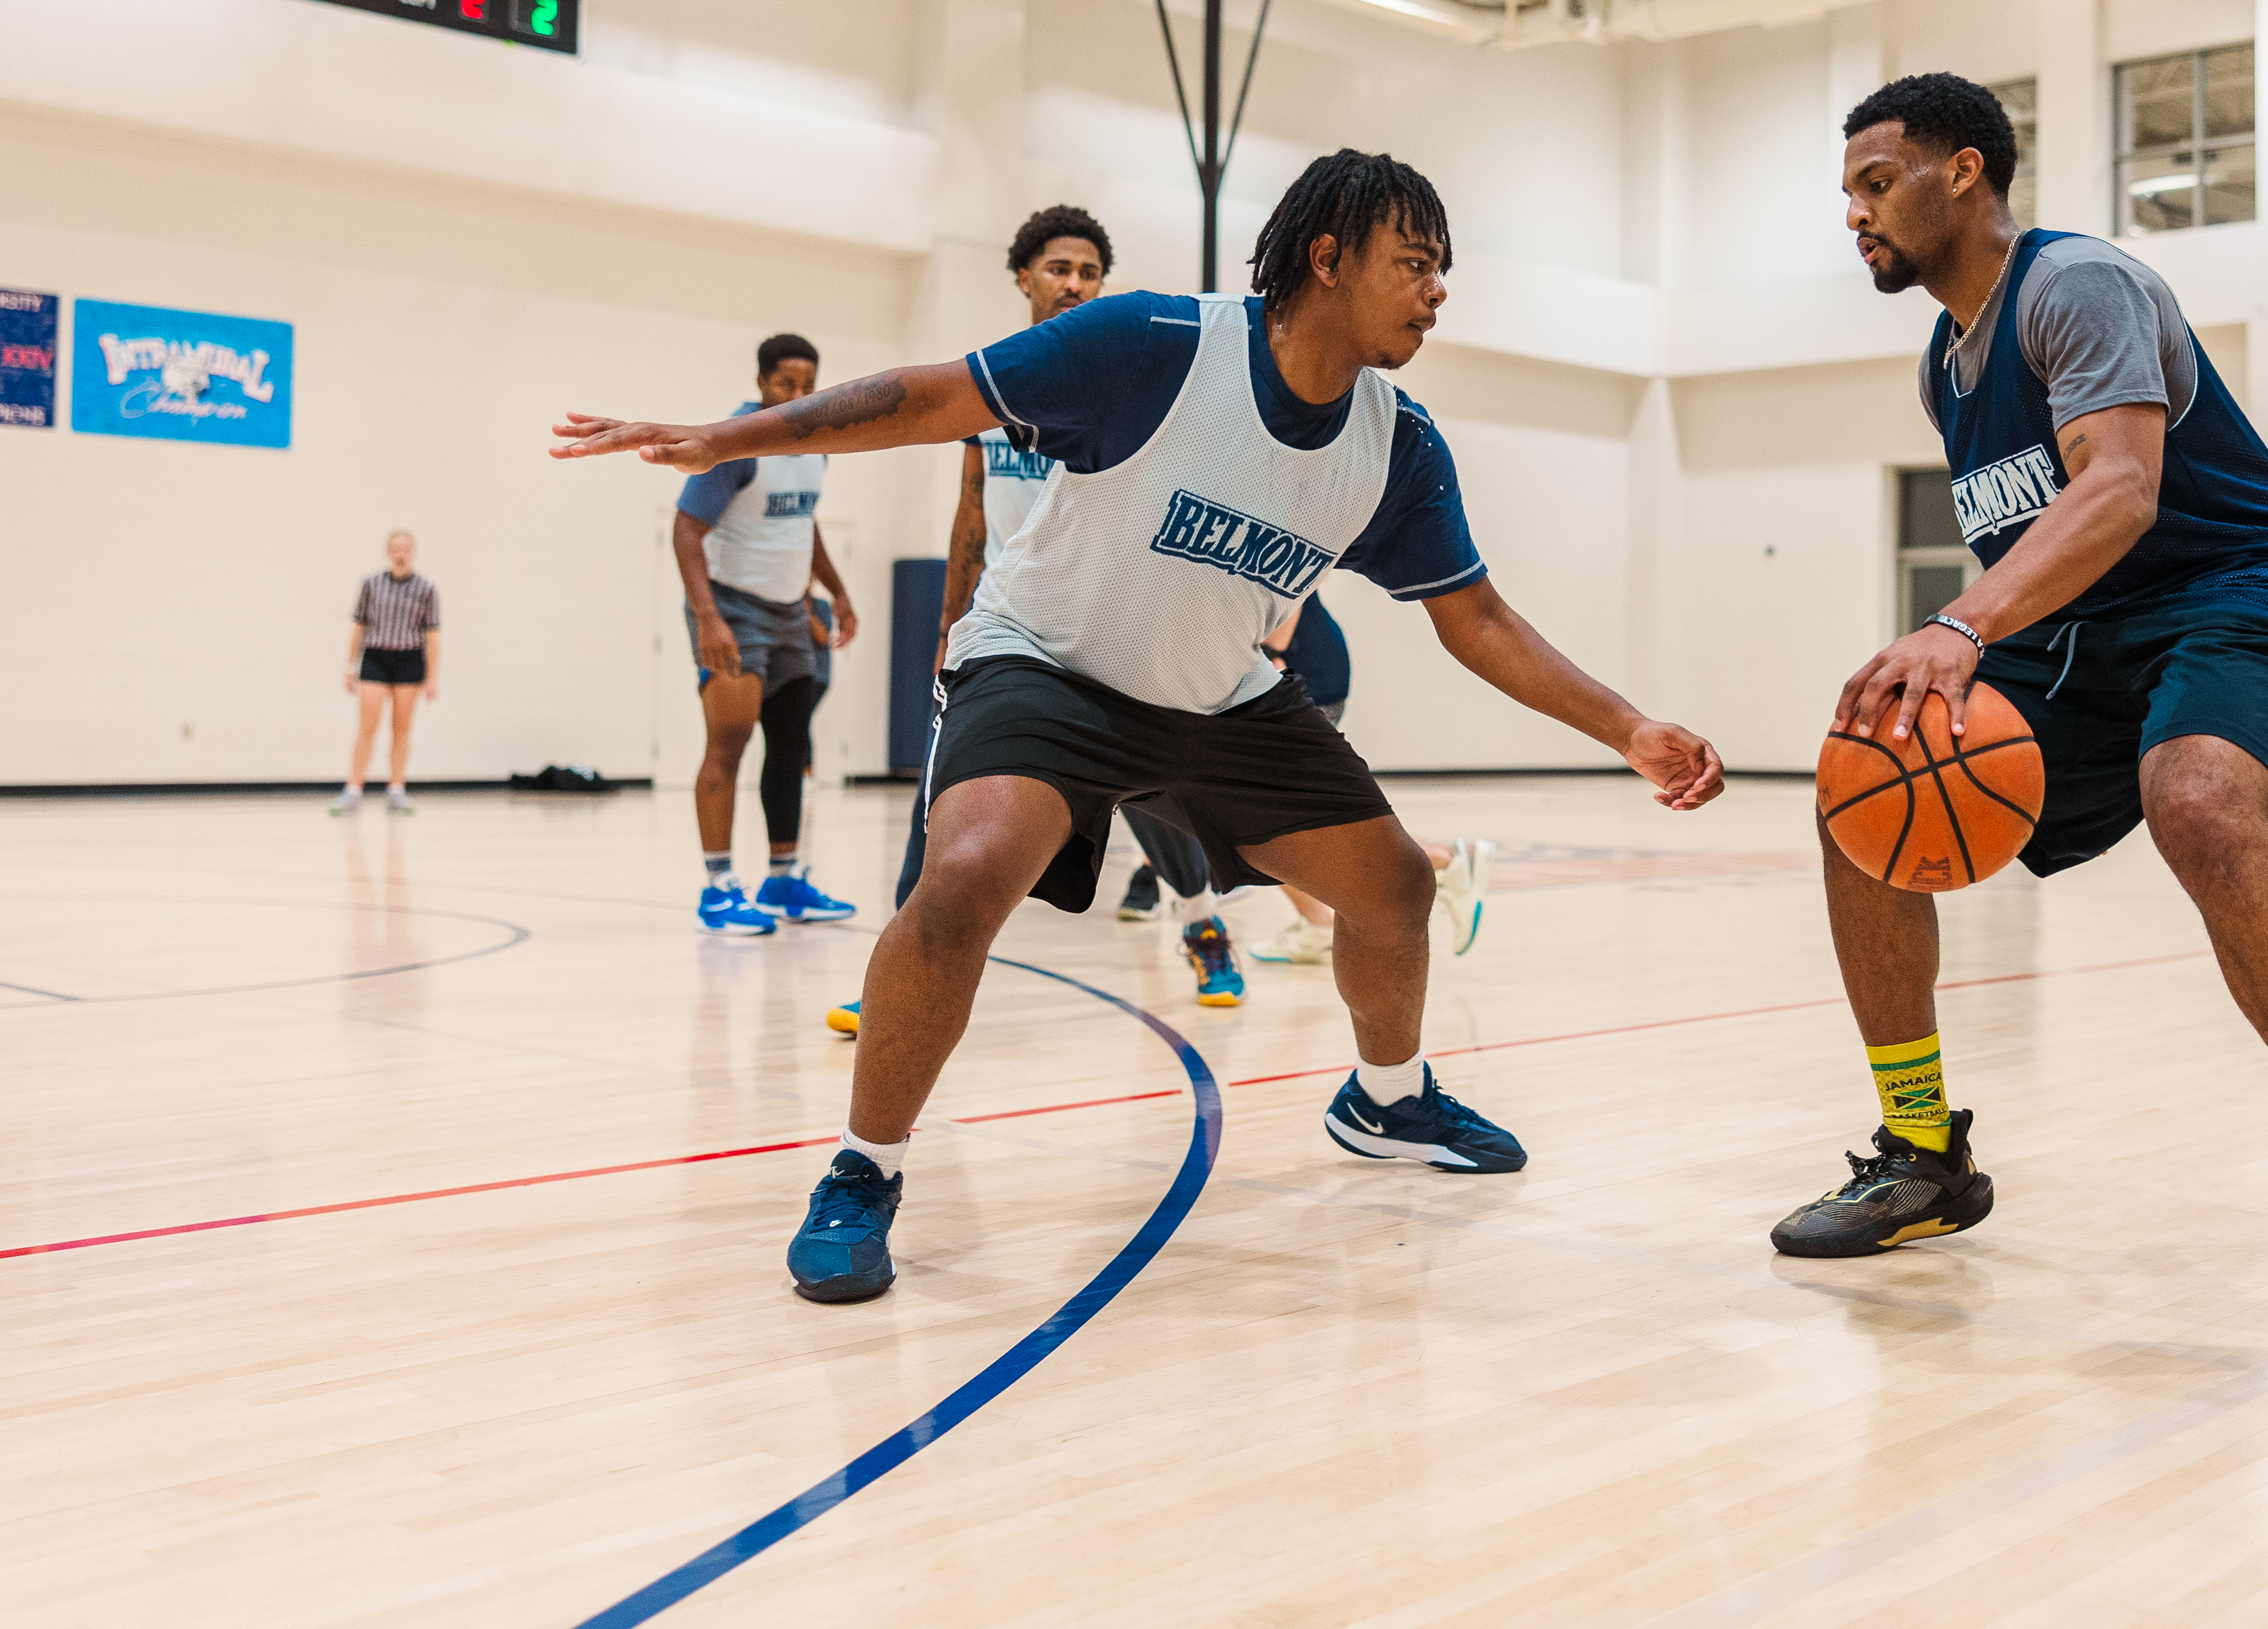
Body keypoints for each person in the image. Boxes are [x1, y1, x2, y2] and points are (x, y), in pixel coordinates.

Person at [554, 147, 1727, 1305]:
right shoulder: (1156, 346)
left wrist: (1627, 727)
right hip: (1048, 668)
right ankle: (865, 1168)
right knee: (961, 880)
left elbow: (1476, 617)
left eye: (1442, 270)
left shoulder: (1396, 444)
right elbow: (931, 397)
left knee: (1395, 891)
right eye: (1416, 263)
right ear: (1328, 259)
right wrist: (728, 439)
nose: (1438, 290)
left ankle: (1388, 1096)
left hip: (1219, 699)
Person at [1777, 72, 2268, 1365]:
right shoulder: (1943, 366)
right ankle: (1924, 1155)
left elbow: (2117, 490)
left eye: (1874, 184)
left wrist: (1954, 625)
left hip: (2235, 592)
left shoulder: (2073, 288)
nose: (1854, 216)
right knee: (1858, 796)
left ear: (1963, 175)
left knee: (2197, 804)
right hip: (2084, 639)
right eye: (1845, 195)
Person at [828, 204, 1243, 1033]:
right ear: (1023, 276)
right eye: (1060, 269)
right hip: (1008, 630)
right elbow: (971, 513)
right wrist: (951, 617)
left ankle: (1203, 927)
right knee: (940, 795)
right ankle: (896, 977)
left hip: (1105, 617)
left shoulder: (1122, 381)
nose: (1075, 285)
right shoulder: (998, 383)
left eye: (1089, 273)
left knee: (1151, 793)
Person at [672, 333, 861, 935]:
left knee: (791, 746)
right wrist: (708, 619)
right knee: (728, 743)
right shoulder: (736, 445)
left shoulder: (818, 444)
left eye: (808, 386)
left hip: (790, 612)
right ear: (761, 384)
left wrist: (838, 592)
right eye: (787, 385)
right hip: (733, 609)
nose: (798, 396)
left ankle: (782, 879)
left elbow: (804, 527)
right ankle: (718, 887)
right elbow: (684, 531)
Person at [1255, 593, 1494, 964]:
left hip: (1297, 675)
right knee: (1267, 819)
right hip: (1298, 674)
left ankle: (1444, 861)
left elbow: (1280, 628)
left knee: (1270, 820)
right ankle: (1319, 926)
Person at [334, 530, 438, 815]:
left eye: (406, 548)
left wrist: (432, 676)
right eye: (396, 548)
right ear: (388, 551)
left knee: (401, 729)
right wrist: (349, 666)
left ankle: (396, 789)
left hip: (409, 659)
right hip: (376, 657)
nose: (401, 553)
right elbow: (359, 627)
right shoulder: (371, 584)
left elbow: (432, 635)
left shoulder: (426, 588)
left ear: (412, 552)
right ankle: (354, 789)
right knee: (367, 726)